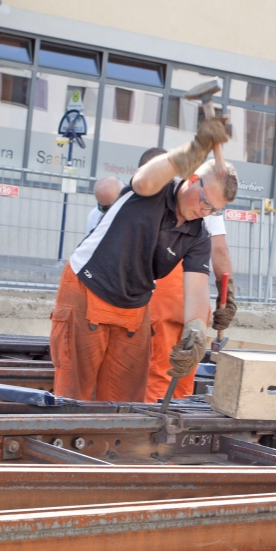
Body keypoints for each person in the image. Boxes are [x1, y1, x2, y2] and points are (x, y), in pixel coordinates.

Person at [50, 116, 237, 402]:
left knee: (125, 401)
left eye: (214, 209)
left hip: (134, 307)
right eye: (205, 202)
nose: (205, 211)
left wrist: (196, 329)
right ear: (192, 179)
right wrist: (198, 145)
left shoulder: (197, 234)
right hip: (88, 291)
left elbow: (197, 290)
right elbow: (148, 176)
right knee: (75, 393)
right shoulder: (154, 189)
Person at [138, 147, 237, 403]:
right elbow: (220, 251)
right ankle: (178, 421)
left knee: (161, 368)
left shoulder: (186, 201)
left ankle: (154, 425)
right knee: (187, 364)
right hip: (197, 296)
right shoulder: (210, 206)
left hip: (166, 290)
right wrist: (227, 295)